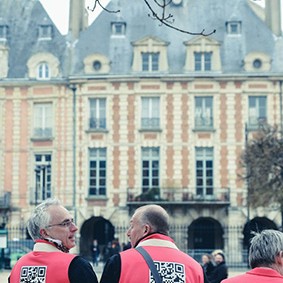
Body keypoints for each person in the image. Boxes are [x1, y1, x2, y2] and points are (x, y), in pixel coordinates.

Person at [100, 204, 207, 283]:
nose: (128, 233)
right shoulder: (196, 268)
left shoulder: (120, 262)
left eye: (132, 226)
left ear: (146, 230)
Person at [9, 198, 98, 283]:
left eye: (72, 222)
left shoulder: (18, 267)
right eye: (65, 223)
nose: (75, 228)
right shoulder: (76, 266)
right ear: (45, 233)